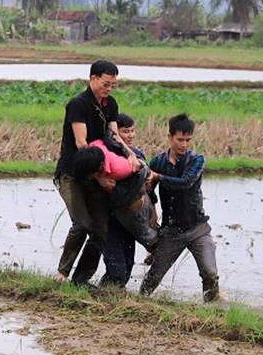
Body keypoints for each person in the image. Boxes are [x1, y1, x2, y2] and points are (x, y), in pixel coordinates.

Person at [54, 60, 139, 285]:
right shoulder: (78, 104)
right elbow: (82, 144)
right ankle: (62, 273)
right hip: (73, 171)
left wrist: (129, 154)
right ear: (93, 79)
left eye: (112, 85)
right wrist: (100, 176)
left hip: (97, 172)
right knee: (82, 223)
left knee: (100, 230)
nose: (109, 89)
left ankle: (80, 281)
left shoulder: (110, 104)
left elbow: (113, 136)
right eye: (105, 84)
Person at [140, 114, 220, 302]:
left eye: (187, 140)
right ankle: (139, 303)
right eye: (180, 140)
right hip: (172, 231)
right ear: (169, 137)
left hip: (197, 228)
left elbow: (186, 183)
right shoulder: (157, 162)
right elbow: (149, 193)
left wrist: (158, 178)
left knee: (210, 273)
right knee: (153, 277)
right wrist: (150, 191)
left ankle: (214, 310)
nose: (184, 144)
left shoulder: (196, 160)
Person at [98, 113, 159, 287]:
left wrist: (153, 212)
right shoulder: (105, 153)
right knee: (116, 268)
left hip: (131, 222)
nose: (131, 135)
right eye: (126, 131)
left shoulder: (137, 154)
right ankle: (105, 296)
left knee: (127, 267)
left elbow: (148, 189)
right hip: (110, 220)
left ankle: (110, 297)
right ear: (115, 134)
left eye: (133, 131)